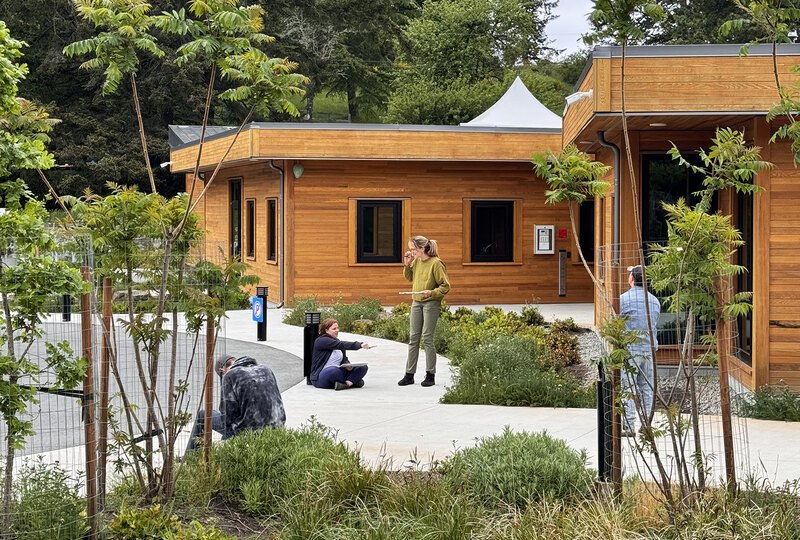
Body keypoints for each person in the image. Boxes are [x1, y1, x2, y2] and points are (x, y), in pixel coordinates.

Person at [398, 235, 451, 387]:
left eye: (413, 249)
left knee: (427, 338)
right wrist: (407, 265)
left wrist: (432, 293)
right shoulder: (416, 262)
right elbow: (410, 278)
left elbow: (445, 286)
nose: (411, 252)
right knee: (413, 338)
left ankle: (430, 374)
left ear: (421, 248)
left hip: (431, 304)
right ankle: (409, 375)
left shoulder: (436, 263)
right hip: (416, 302)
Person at [619, 264, 661, 436]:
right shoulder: (655, 301)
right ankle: (646, 424)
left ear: (632, 279)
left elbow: (616, 322)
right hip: (649, 349)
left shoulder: (623, 299)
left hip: (631, 348)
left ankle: (628, 425)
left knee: (628, 387)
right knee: (647, 388)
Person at [222, 356, 286, 438]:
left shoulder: (230, 375)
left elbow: (228, 414)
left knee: (203, 415)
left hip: (250, 431)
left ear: (222, 370)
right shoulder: (266, 369)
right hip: (277, 425)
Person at [186, 354, 234, 453]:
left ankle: (191, 456)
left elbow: (226, 413)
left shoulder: (229, 378)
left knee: (203, 414)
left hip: (238, 427)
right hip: (263, 425)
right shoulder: (254, 373)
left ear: (222, 370)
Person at [311, 318, 370, 390]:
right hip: (322, 376)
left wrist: (347, 364)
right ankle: (353, 381)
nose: (337, 330)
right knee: (334, 370)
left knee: (363, 367)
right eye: (334, 329)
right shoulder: (321, 341)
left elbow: (344, 359)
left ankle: (346, 384)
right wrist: (359, 345)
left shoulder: (337, 341)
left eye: (338, 328)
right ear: (326, 330)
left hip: (339, 372)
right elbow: (341, 345)